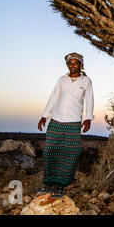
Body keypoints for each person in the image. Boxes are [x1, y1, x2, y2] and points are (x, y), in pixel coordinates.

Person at [37, 52, 95, 197]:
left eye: (76, 63)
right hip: (56, 121)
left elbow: (89, 99)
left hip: (73, 122)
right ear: (67, 65)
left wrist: (88, 118)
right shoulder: (61, 80)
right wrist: (44, 116)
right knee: (50, 151)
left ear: (81, 65)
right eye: (70, 63)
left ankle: (60, 186)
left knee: (70, 153)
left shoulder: (86, 81)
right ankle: (48, 183)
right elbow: (53, 97)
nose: (73, 65)